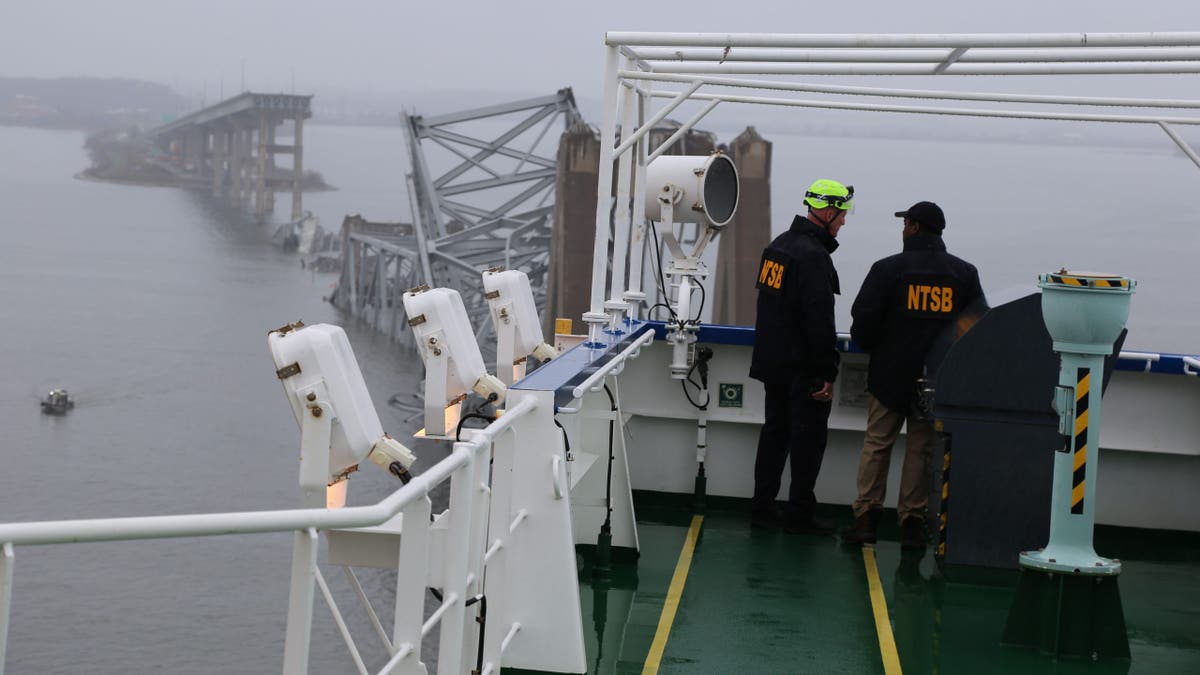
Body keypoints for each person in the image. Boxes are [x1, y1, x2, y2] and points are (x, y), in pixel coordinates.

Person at [842, 201, 984, 549]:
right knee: (921, 451)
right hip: (937, 380)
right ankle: (911, 525)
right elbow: (977, 323)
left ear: (916, 228)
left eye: (905, 223)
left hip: (889, 374)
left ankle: (865, 521)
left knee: (877, 445)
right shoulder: (963, 274)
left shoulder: (889, 269)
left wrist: (880, 345)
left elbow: (863, 319)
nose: (903, 229)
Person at [749, 179, 852, 534]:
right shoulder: (813, 256)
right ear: (826, 211)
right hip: (802, 368)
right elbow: (819, 320)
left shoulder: (778, 247)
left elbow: (769, 309)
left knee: (774, 436)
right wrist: (827, 371)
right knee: (807, 443)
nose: (843, 222)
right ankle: (799, 516)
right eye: (841, 214)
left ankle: (762, 509)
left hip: (773, 364)